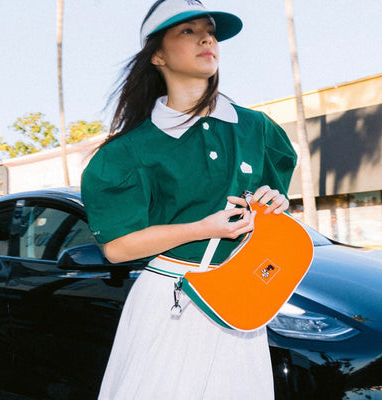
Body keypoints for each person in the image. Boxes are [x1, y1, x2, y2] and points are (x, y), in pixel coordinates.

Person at [81, 0, 297, 398]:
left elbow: (270, 202)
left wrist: (274, 203)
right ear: (158, 55)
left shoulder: (256, 127)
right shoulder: (128, 151)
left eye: (211, 30)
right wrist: (200, 228)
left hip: (243, 299)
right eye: (187, 30)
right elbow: (116, 248)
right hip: (171, 300)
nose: (207, 38)